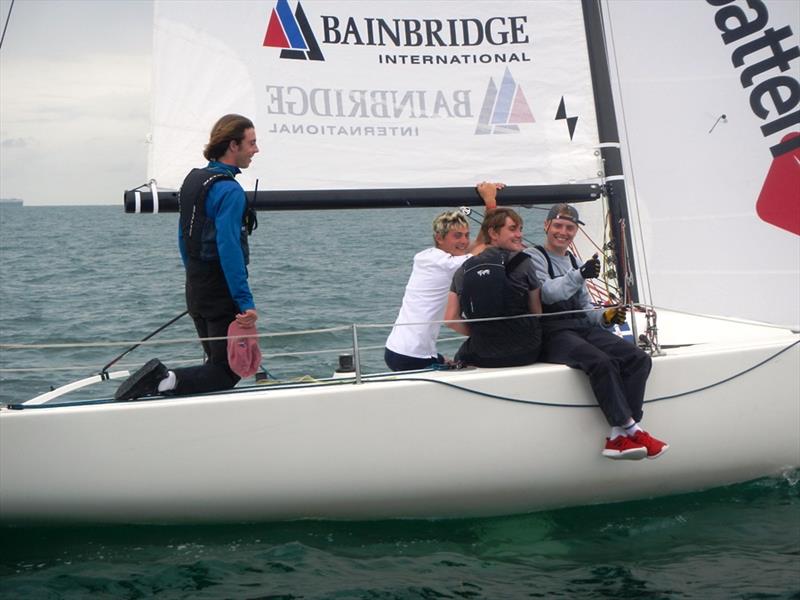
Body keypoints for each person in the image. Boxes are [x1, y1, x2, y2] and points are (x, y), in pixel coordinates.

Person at [115, 114, 260, 401]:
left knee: (212, 361)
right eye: (251, 143)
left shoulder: (193, 181)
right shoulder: (230, 191)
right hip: (219, 290)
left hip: (196, 285)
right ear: (233, 145)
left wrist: (195, 276)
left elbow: (184, 238)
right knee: (226, 372)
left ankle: (173, 398)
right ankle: (164, 380)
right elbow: (229, 248)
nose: (256, 150)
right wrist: (245, 302)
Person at [526, 203, 668, 460]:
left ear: (575, 232)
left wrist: (606, 317)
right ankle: (633, 430)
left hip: (579, 327)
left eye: (570, 228)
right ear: (546, 226)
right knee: (602, 362)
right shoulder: (533, 256)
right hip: (553, 332)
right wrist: (579, 275)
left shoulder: (573, 260)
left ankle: (620, 433)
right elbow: (547, 293)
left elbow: (585, 308)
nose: (563, 232)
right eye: (558, 225)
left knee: (638, 359)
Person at [384, 184, 497, 371]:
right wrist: (491, 202)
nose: (464, 241)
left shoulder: (428, 257)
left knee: (450, 362)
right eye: (457, 236)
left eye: (466, 235)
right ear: (439, 237)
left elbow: (477, 243)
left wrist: (488, 205)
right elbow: (484, 246)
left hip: (403, 349)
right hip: (411, 355)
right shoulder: (445, 264)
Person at [444, 184, 543, 367]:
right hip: (527, 352)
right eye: (513, 229)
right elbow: (536, 312)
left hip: (483, 354)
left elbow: (450, 318)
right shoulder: (524, 262)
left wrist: (480, 333)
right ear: (493, 233)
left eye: (520, 229)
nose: (519, 235)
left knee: (456, 359)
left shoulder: (463, 269)